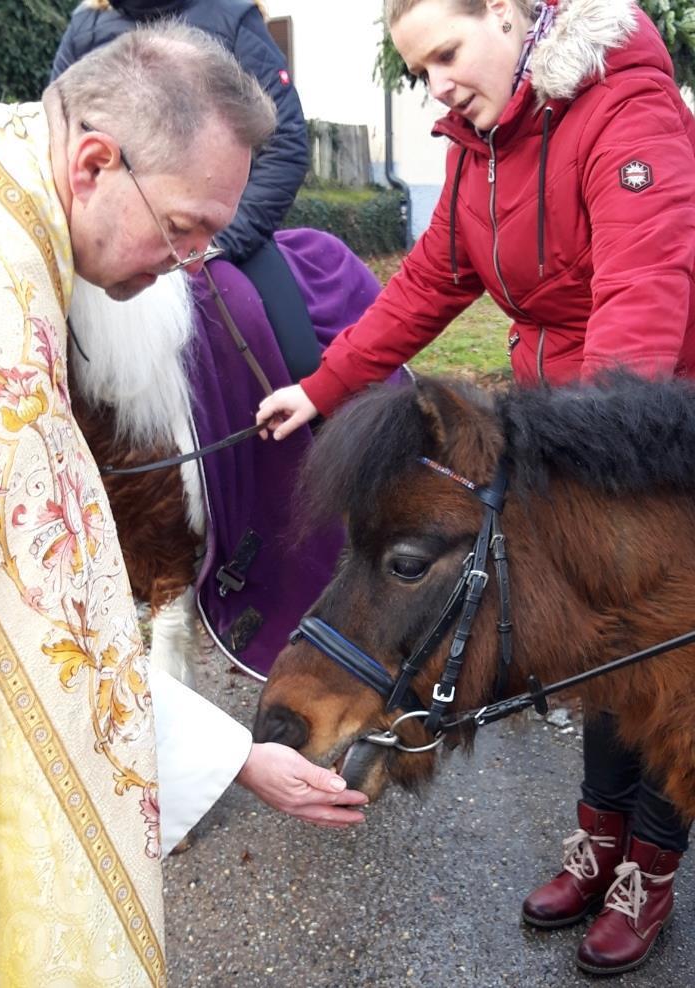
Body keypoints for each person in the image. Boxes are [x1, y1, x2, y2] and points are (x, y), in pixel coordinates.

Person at [255, 0, 695, 976]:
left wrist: (576, 467)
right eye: (419, 70)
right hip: (564, 429)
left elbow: (645, 294)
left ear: (507, 13)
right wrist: (323, 385)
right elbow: (427, 282)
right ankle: (599, 838)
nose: (437, 85)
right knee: (588, 652)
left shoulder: (625, 106)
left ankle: (650, 867)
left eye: (447, 53)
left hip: (652, 437)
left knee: (658, 655)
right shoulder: (479, 145)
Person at [0, 24, 365, 986]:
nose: (192, 258)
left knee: (272, 316)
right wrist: (236, 757)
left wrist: (217, 231)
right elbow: (42, 631)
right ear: (91, 163)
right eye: (180, 229)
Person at [52, 0, 322, 381]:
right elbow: (59, 137)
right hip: (110, 238)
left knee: (298, 359)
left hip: (225, 236)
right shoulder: (86, 26)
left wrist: (207, 240)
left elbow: (286, 144)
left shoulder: (232, 16)